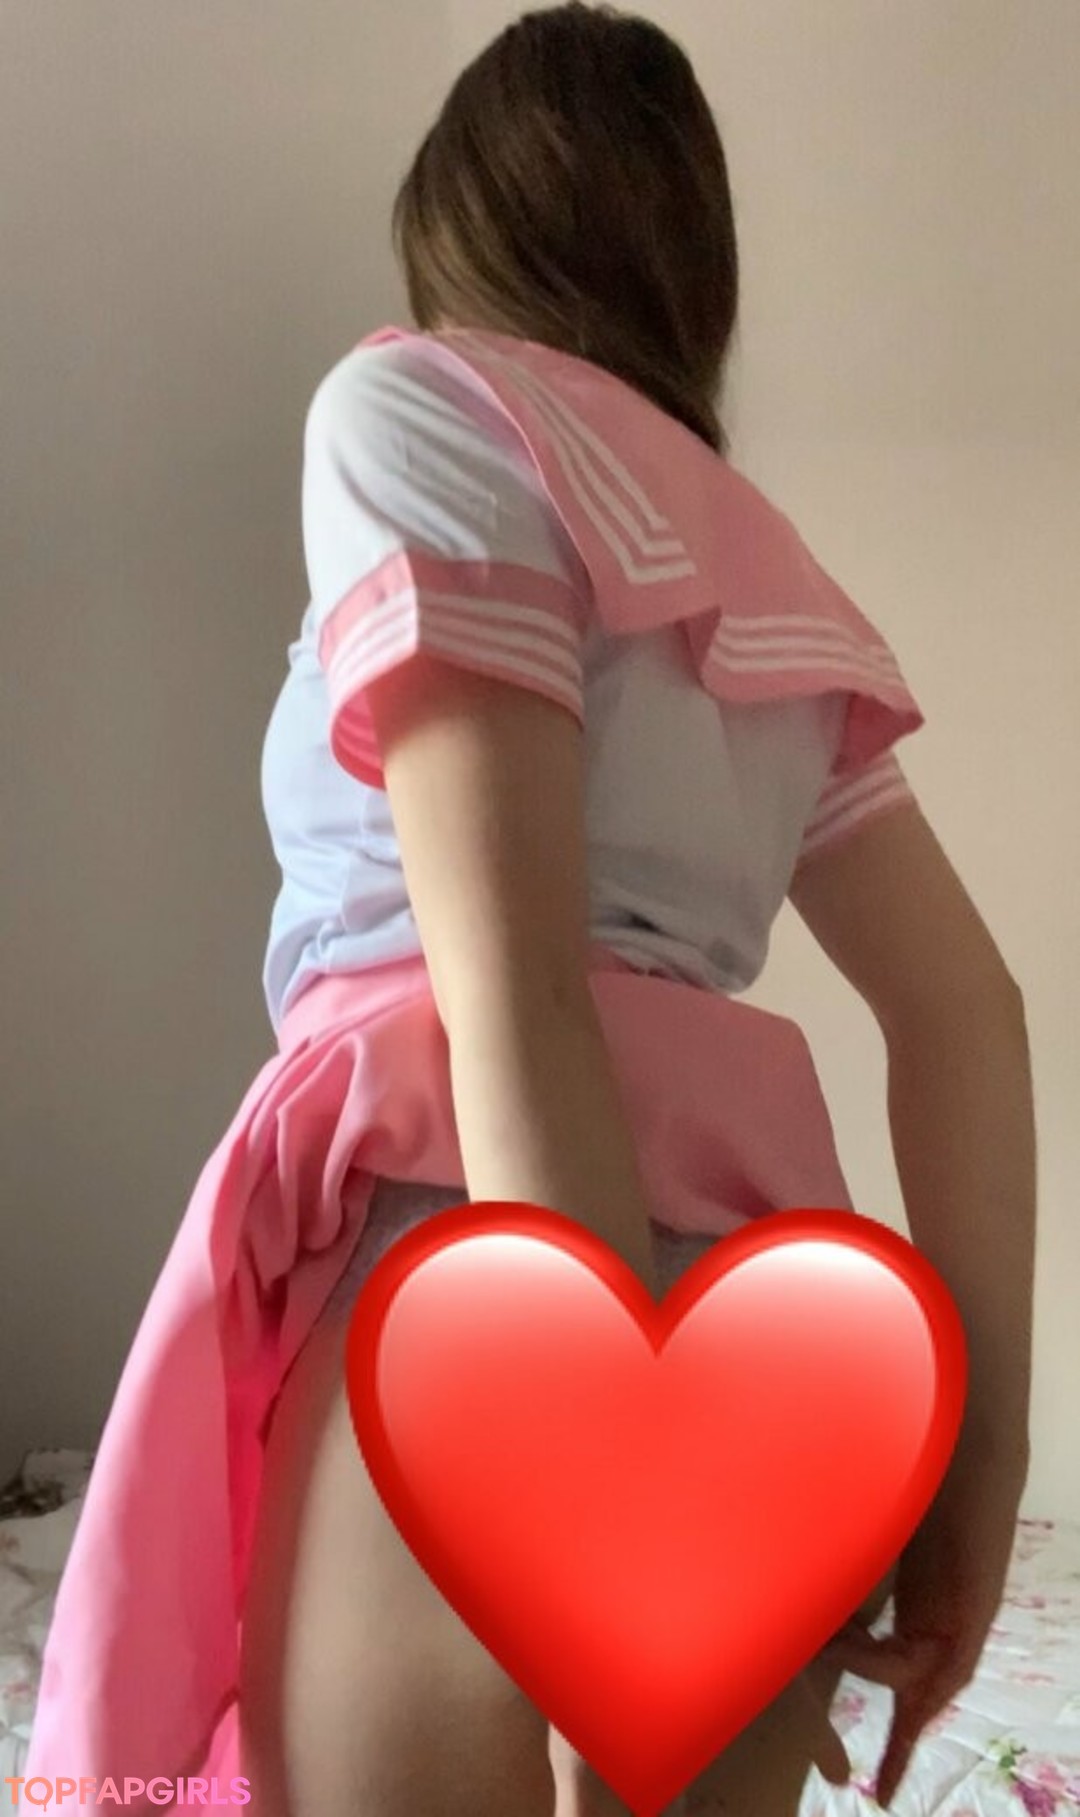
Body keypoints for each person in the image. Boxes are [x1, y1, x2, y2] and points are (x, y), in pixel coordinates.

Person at [23, 5, 1036, 1815]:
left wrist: (589, 1546)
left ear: (462, 233)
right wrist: (971, 1488)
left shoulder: (416, 406)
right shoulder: (772, 577)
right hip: (770, 1375)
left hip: (493, 1284)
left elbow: (519, 990)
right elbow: (968, 1013)